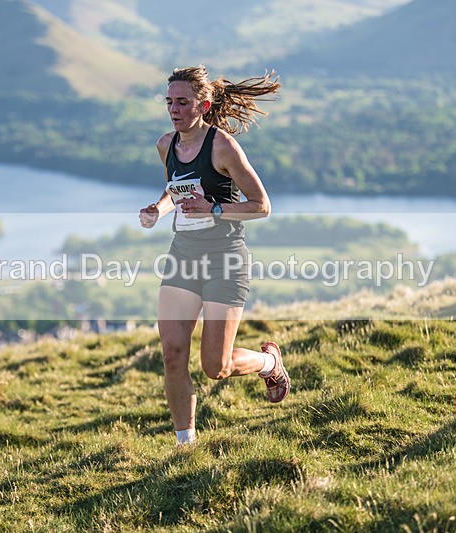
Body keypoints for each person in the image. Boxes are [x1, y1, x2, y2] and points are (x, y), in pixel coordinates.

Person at [139, 65, 290, 446]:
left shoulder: (221, 146)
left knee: (215, 367)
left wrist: (215, 209)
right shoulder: (165, 145)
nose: (174, 109)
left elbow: (262, 205)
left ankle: (270, 363)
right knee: (173, 353)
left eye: (183, 102)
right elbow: (175, 189)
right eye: (169, 102)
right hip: (183, 256)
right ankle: (185, 446)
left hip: (225, 259)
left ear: (203, 105)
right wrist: (158, 208)